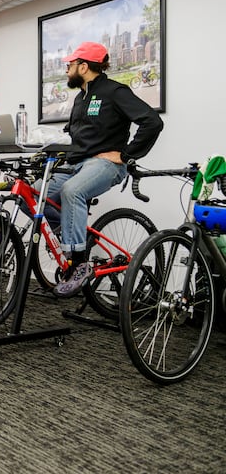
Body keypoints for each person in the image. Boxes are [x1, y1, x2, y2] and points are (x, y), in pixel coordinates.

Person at [47, 41, 163, 297]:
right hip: (75, 163)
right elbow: (76, 135)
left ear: (84, 67)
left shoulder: (114, 91)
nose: (66, 69)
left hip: (105, 164)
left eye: (70, 64)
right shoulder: (80, 98)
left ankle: (78, 263)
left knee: (72, 191)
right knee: (33, 194)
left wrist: (126, 155)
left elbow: (152, 122)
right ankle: (68, 231)